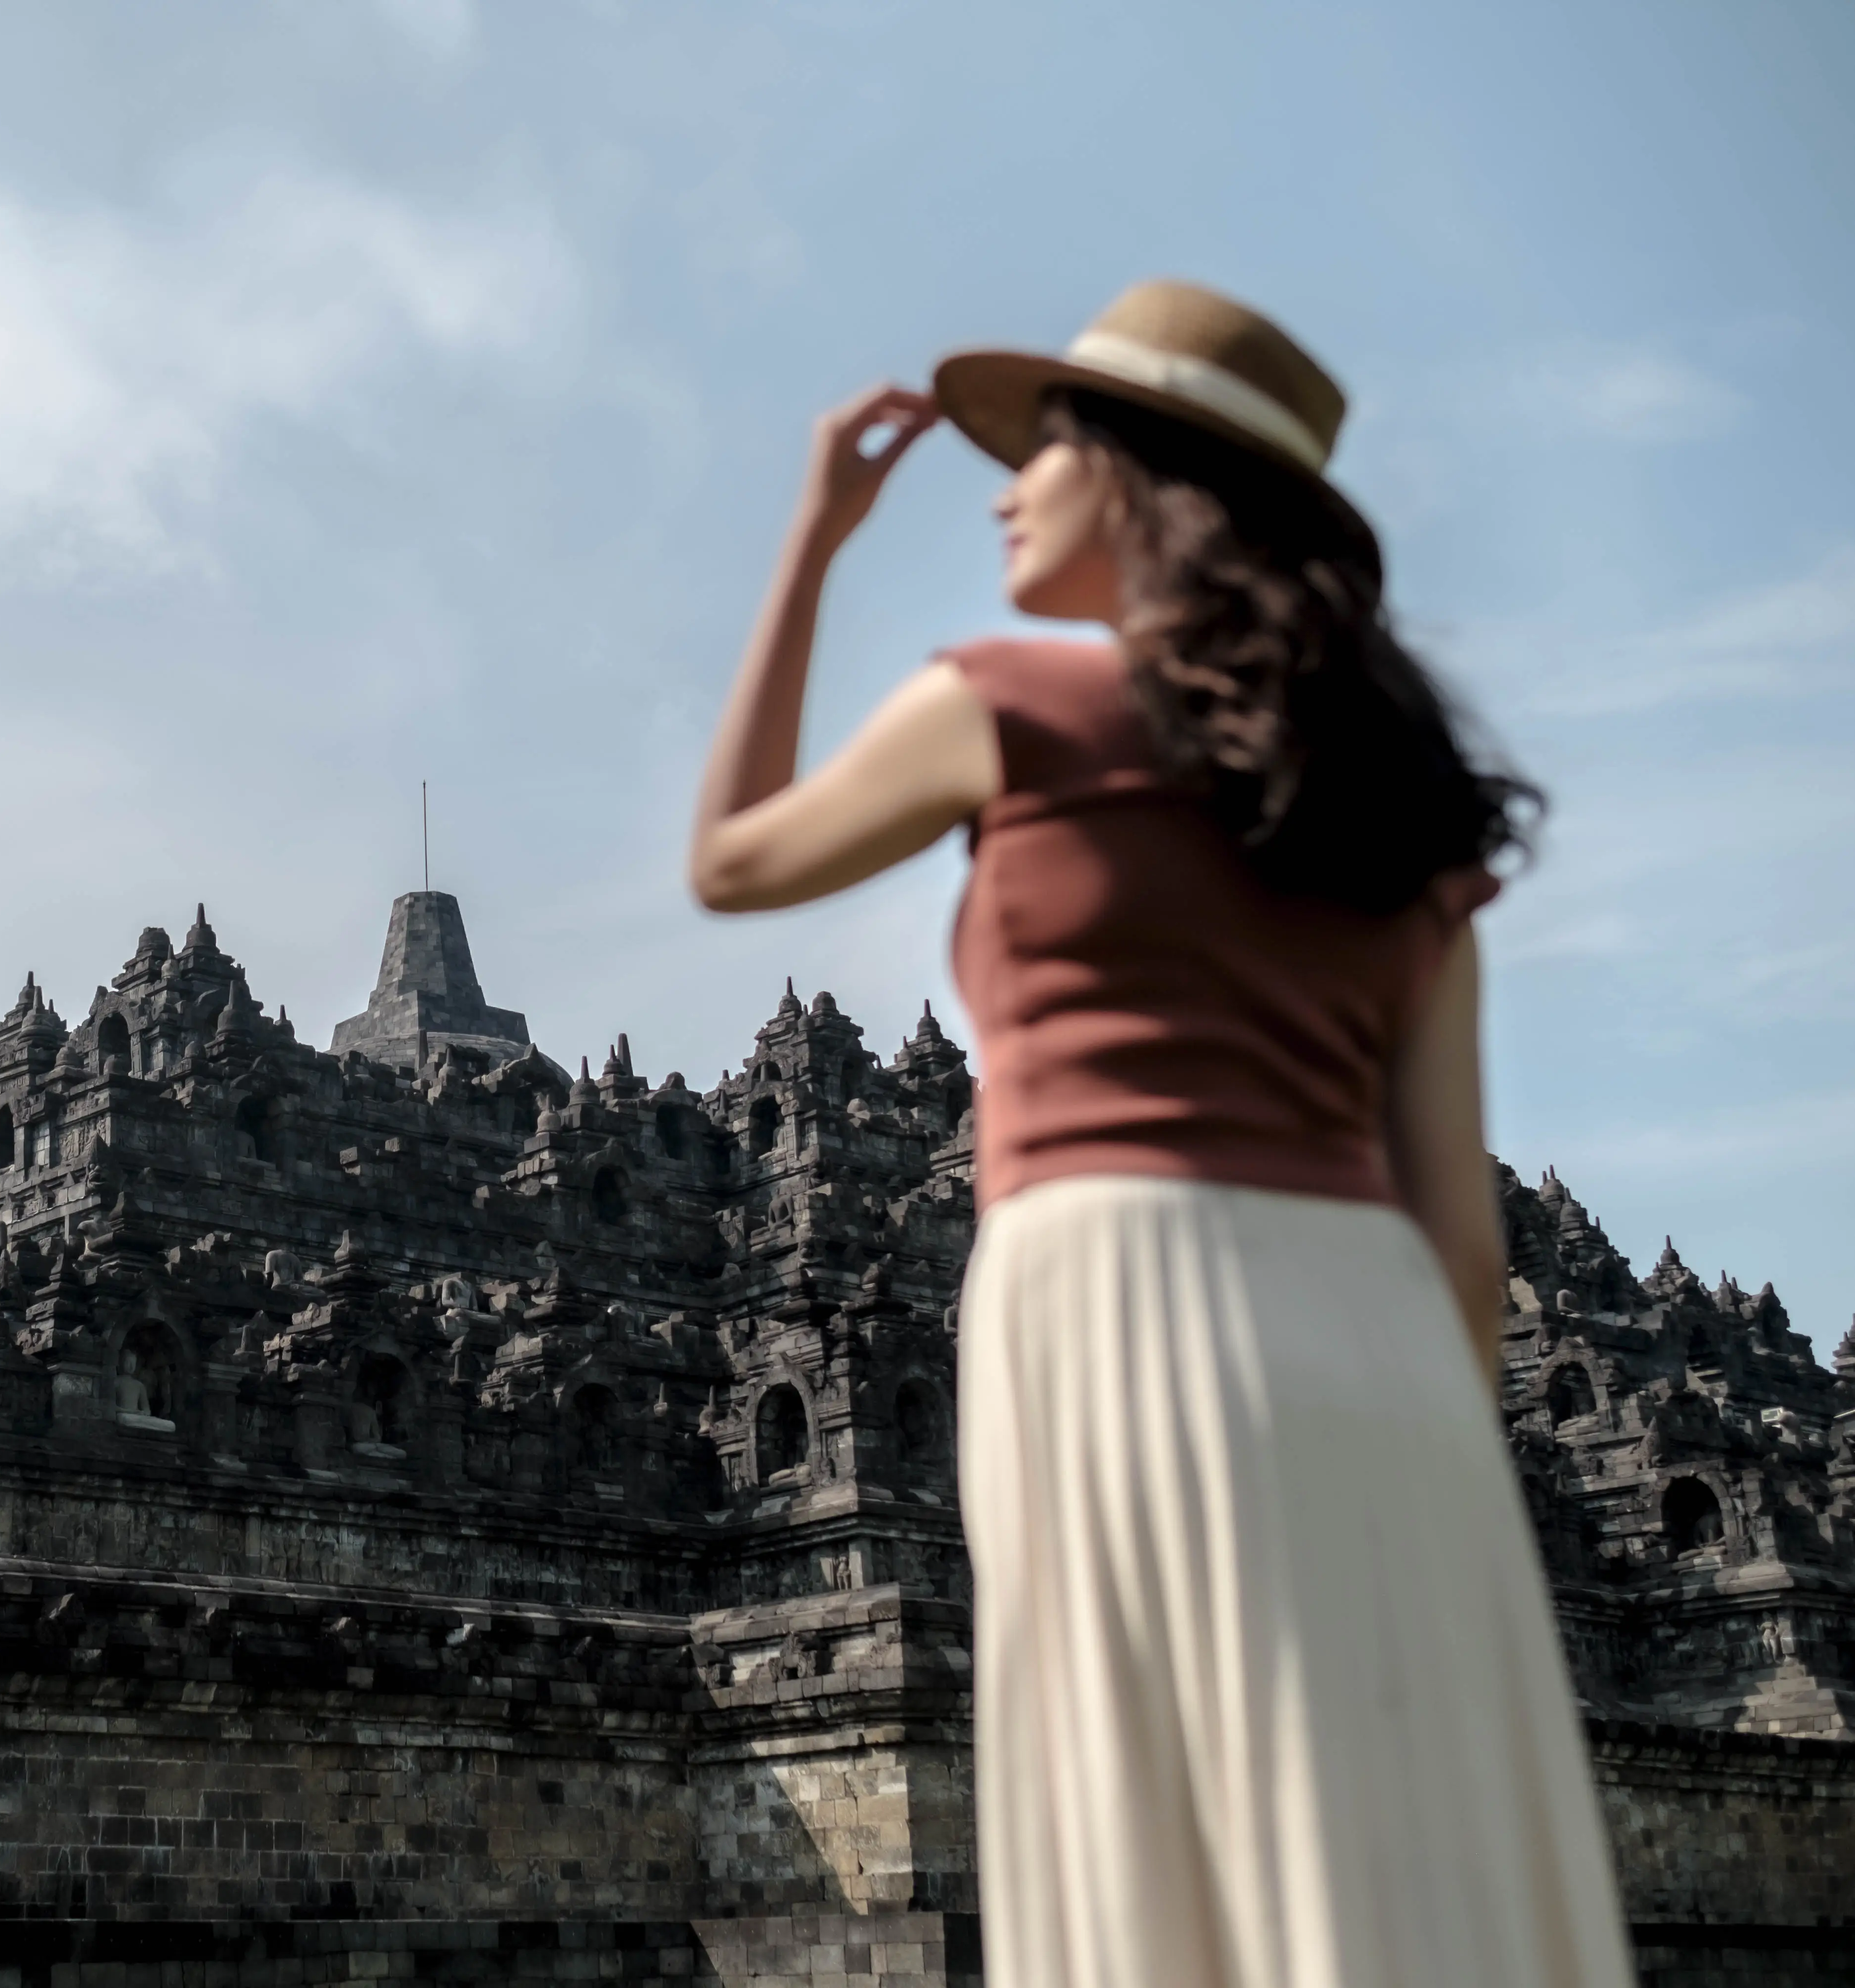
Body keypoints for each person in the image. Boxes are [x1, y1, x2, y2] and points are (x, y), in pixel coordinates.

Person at [686, 280, 1630, 1988]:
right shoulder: (1410, 826)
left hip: (1114, 1284)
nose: (1003, 489)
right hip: (1383, 1351)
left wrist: (816, 538)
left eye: (1042, 453)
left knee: (1148, 1826)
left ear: (1141, 486)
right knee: (1391, 1830)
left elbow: (735, 857)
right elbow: (1464, 1249)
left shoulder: (1010, 701)